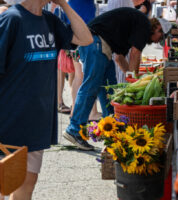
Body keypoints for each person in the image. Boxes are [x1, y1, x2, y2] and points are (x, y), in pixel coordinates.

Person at [0, 0, 93, 199]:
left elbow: (85, 39)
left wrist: (65, 6)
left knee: (27, 183)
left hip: (37, 120)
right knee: (4, 184)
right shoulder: (11, 19)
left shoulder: (50, 20)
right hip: (9, 120)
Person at [64, 7, 170, 151]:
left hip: (101, 45)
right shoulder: (144, 26)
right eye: (161, 37)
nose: (159, 41)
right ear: (157, 27)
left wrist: (131, 80)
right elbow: (134, 54)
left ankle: (114, 130)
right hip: (96, 43)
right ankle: (74, 129)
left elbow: (119, 58)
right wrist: (135, 80)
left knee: (110, 89)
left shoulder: (135, 26)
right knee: (91, 87)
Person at [53, 0, 102, 121]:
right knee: (84, 75)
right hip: (83, 39)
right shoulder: (81, 3)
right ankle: (88, 112)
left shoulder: (72, 3)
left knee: (79, 75)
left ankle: (76, 110)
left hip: (76, 40)